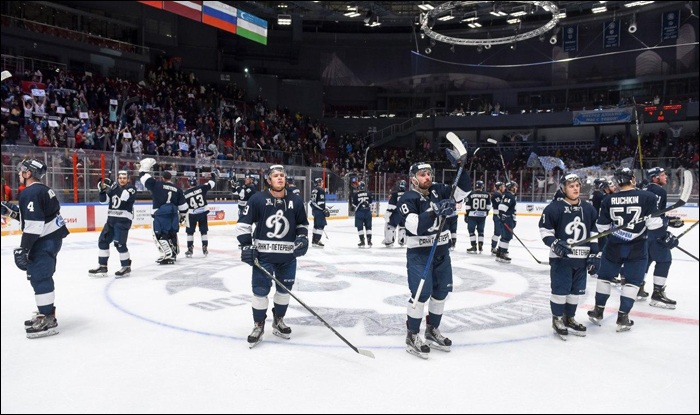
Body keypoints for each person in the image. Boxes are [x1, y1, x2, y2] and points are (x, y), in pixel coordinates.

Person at [396, 162, 471, 359]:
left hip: (442, 252)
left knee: (440, 293)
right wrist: (435, 211)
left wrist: (463, 167)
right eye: (422, 174)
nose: (427, 177)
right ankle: (412, 335)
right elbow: (415, 226)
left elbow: (463, 191)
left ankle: (432, 330)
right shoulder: (407, 198)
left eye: (429, 173)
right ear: (413, 178)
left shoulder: (439, 190)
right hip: (420, 254)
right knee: (421, 294)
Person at [235, 165, 309, 349]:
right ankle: (259, 325)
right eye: (275, 176)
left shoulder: (296, 201)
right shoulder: (257, 199)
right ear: (269, 180)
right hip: (263, 256)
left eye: (282, 175)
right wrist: (245, 246)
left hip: (288, 256)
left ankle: (278, 320)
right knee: (260, 291)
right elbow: (243, 224)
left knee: (284, 292)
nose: (280, 178)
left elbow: (302, 224)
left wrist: (302, 238)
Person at [588, 167, 670, 332]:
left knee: (604, 278)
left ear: (617, 182)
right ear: (633, 179)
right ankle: (623, 317)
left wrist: (616, 227)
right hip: (637, 247)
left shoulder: (608, 200)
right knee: (632, 282)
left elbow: (602, 227)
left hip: (613, 247)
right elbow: (654, 226)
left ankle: (598, 311)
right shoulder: (648, 197)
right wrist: (666, 225)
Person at [1, 159, 68, 338]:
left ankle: (48, 318)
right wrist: (10, 211)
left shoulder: (30, 192)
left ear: (28, 173)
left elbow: (34, 224)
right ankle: (45, 312)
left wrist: (23, 248)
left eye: (21, 170)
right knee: (40, 276)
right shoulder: (43, 190)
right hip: (50, 239)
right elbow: (36, 216)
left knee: (39, 276)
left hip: (44, 241)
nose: (18, 173)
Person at [539, 174, 600, 340]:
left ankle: (569, 317)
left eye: (577, 185)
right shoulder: (554, 208)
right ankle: (557, 318)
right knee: (560, 291)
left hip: (581, 259)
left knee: (575, 292)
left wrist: (595, 253)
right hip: (562, 260)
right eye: (571, 185)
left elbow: (594, 233)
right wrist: (555, 244)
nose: (575, 188)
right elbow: (545, 231)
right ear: (563, 188)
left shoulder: (588, 209)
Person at [642, 167, 685, 308]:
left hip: (644, 234)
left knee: (646, 261)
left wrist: (668, 221)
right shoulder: (659, 191)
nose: (665, 176)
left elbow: (652, 214)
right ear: (654, 178)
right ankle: (657, 295)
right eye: (662, 174)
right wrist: (663, 234)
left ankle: (638, 289)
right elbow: (653, 217)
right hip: (654, 233)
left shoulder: (646, 189)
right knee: (664, 260)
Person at [138, 158, 188, 265]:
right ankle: (174, 253)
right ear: (171, 178)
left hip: (160, 214)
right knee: (172, 233)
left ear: (162, 178)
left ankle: (168, 255)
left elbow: (143, 177)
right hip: (174, 214)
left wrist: (144, 168)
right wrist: (182, 216)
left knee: (160, 235)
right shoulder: (178, 189)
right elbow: (183, 207)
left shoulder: (157, 185)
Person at [88, 171, 137, 278]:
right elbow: (103, 201)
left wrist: (113, 185)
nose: (122, 180)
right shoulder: (113, 190)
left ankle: (126, 266)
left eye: (124, 178)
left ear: (128, 179)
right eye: (120, 178)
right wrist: (102, 191)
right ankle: (102, 266)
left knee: (119, 244)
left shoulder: (131, 189)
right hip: (111, 221)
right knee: (103, 241)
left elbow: (124, 196)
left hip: (123, 222)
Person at [184, 172, 217, 258]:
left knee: (190, 232)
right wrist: (213, 175)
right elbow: (212, 183)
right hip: (202, 213)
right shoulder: (202, 187)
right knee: (203, 231)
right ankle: (205, 246)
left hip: (191, 215)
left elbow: (183, 206)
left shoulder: (186, 193)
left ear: (188, 183)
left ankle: (190, 248)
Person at [464, 180, 490, 254]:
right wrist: (485, 213)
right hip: (482, 216)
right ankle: (480, 244)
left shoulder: (471, 194)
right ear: (482, 186)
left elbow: (468, 206)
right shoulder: (487, 194)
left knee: (471, 231)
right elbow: (488, 206)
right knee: (481, 231)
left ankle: (473, 246)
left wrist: (467, 214)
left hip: (472, 215)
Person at [496, 181, 519, 263]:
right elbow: (502, 207)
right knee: (507, 237)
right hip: (507, 219)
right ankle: (503, 254)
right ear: (511, 187)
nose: (516, 188)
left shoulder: (510, 195)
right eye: (514, 186)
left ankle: (500, 253)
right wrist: (503, 217)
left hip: (508, 219)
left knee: (504, 237)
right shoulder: (509, 196)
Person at [382, 180, 407, 247]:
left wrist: (387, 213)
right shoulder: (408, 194)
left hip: (396, 214)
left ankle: (389, 241)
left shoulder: (395, 194)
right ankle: (402, 240)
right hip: (405, 214)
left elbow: (392, 206)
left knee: (390, 226)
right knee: (403, 227)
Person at [352, 181, 374, 248]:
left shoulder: (356, 194)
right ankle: (369, 240)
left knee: (360, 227)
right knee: (368, 227)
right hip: (367, 212)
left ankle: (362, 241)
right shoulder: (368, 193)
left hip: (360, 212)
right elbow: (370, 202)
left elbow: (354, 204)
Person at [309, 177, 329, 248]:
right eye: (321, 182)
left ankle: (314, 240)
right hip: (319, 211)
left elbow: (311, 202)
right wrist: (323, 209)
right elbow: (321, 202)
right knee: (321, 225)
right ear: (318, 183)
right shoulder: (320, 190)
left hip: (315, 211)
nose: (322, 183)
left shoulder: (314, 190)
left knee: (316, 225)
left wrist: (315, 209)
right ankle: (317, 240)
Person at [490, 181, 506, 256]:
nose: (504, 188)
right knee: (497, 233)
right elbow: (500, 205)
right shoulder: (496, 195)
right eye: (502, 186)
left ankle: (497, 247)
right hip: (497, 216)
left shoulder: (499, 194)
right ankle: (493, 247)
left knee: (500, 233)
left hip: (499, 216)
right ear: (499, 187)